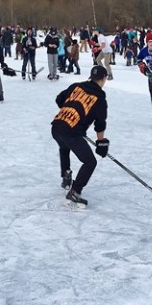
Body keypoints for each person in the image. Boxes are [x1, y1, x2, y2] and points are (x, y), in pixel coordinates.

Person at [51, 64, 109, 207]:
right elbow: (100, 123)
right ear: (103, 79)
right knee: (90, 162)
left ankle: (66, 177)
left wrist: (70, 114)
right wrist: (101, 142)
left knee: (64, 147)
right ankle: (75, 191)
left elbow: (59, 99)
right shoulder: (99, 98)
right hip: (70, 131)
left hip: (57, 126)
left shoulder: (76, 86)